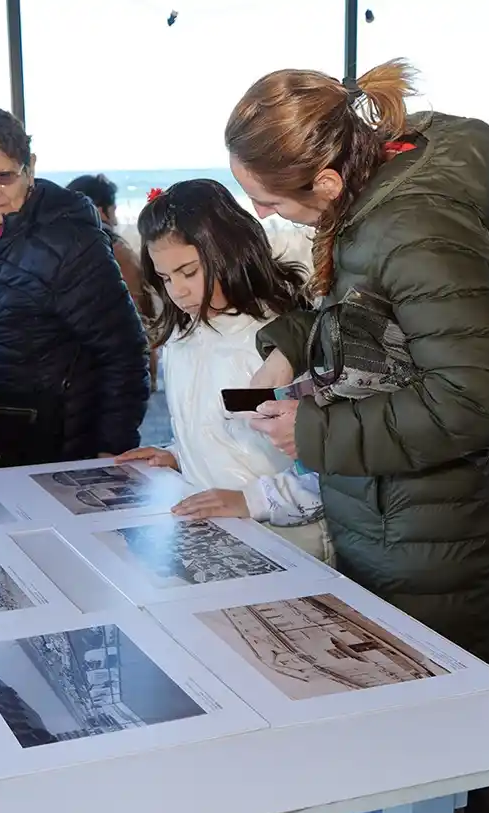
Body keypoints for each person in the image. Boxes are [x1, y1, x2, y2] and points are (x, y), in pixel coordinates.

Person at [225, 59, 489, 813]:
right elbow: (369, 322)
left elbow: (480, 397)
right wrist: (290, 346)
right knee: (421, 770)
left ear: (324, 182)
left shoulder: (411, 225)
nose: (263, 215)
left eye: (264, 199)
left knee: (445, 775)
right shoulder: (369, 206)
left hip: (439, 543)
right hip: (396, 524)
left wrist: (316, 433)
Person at [111, 180, 330, 562]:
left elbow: (325, 470)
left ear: (228, 251)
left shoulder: (281, 346)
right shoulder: (182, 336)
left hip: (290, 547)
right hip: (214, 538)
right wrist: (182, 453)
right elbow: (235, 434)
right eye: (165, 278)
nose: (176, 291)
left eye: (188, 272)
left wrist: (248, 500)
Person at [0, 108, 150, 468]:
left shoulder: (70, 239)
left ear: (30, 167)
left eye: (4, 176)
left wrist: (110, 449)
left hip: (60, 449)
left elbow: (124, 352)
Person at [67, 173, 161, 390]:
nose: (116, 220)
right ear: (100, 211)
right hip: (118, 370)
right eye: (114, 210)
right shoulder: (115, 250)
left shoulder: (58, 252)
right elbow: (141, 316)